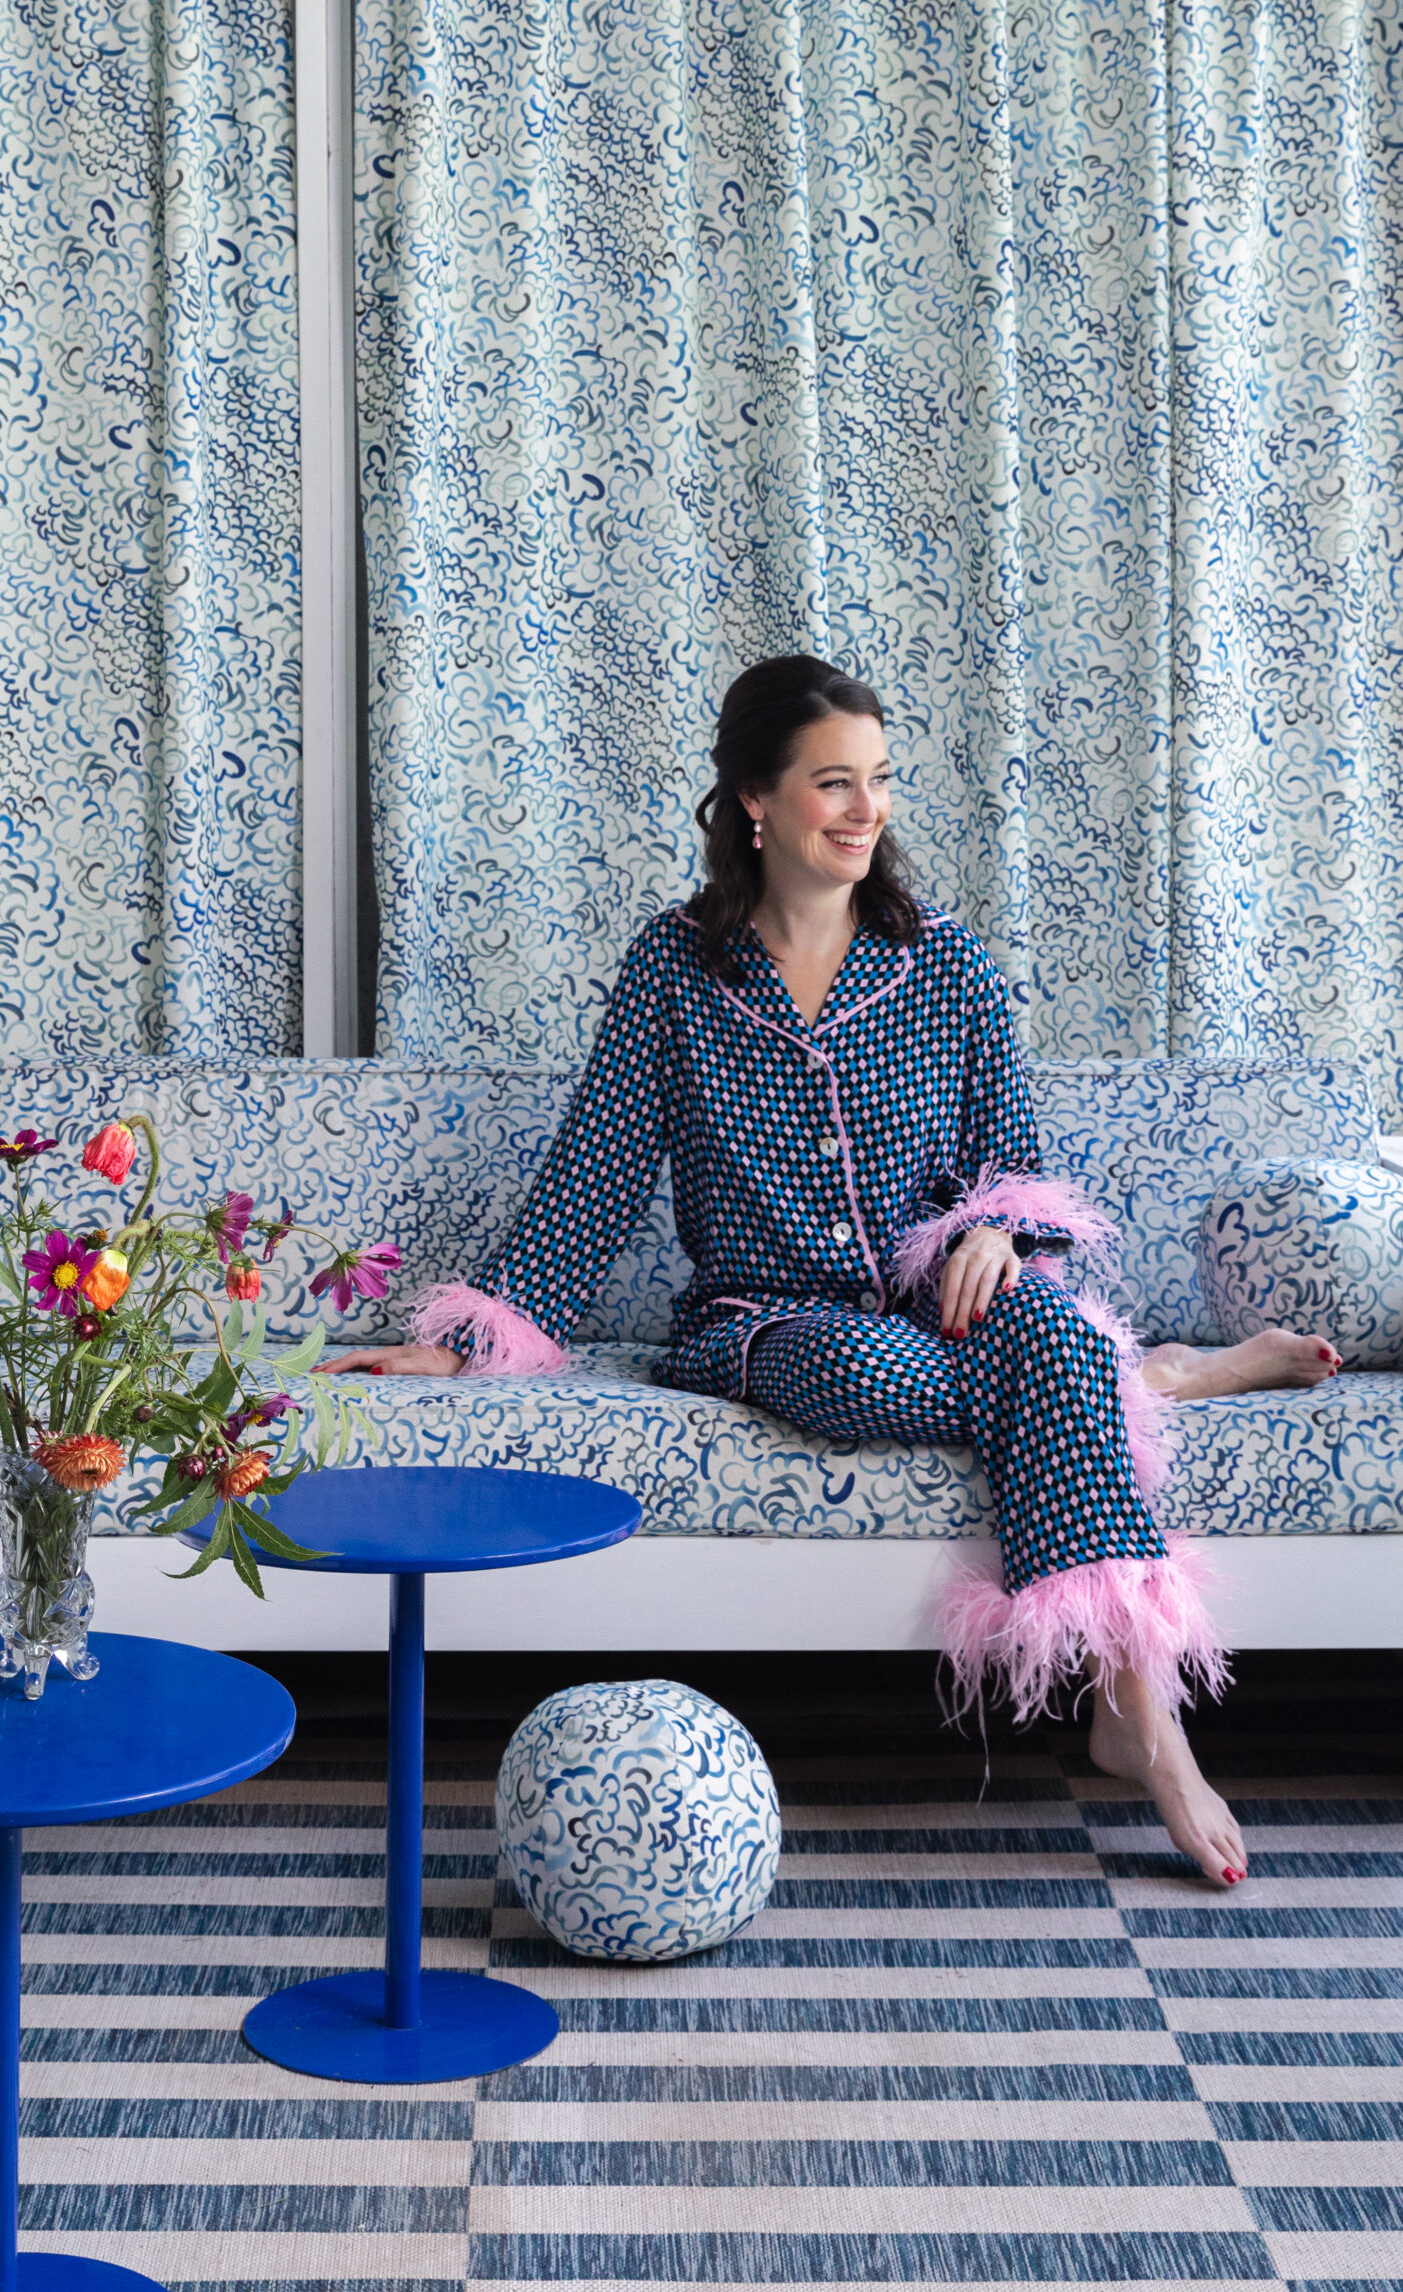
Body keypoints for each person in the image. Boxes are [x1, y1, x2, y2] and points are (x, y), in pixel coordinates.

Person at [323, 655, 1343, 1888]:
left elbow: (1012, 1163)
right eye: (834, 783)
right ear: (755, 798)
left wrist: (992, 1235)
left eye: (880, 781)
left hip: (940, 1287)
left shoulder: (944, 962)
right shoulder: (675, 970)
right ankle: (1158, 1374)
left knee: (1047, 1328)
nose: (866, 810)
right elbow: (593, 1175)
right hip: (768, 1317)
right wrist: (468, 1339)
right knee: (903, 1366)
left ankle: (1142, 1717)